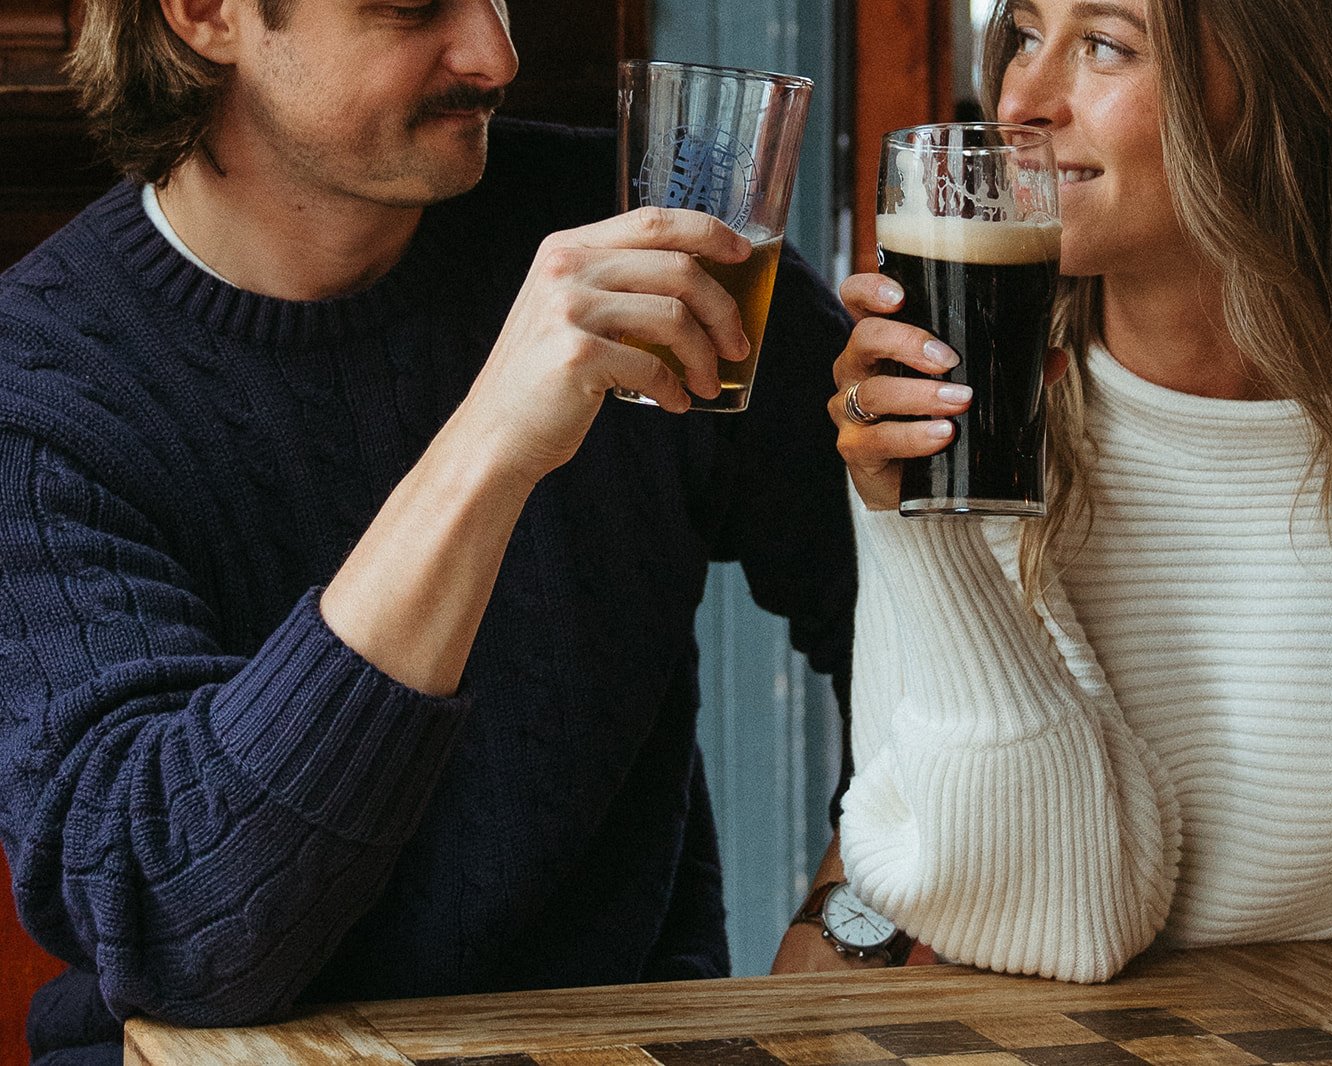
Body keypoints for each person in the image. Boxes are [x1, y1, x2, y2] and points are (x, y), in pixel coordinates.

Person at [0, 1, 857, 1062]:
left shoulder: (636, 247)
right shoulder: (35, 389)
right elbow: (182, 930)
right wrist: (489, 441)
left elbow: (931, 638)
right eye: (411, 7)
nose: (496, 55)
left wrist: (848, 932)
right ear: (206, 15)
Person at [829, 0, 1332, 1047]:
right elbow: (1054, 922)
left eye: (1103, 43)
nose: (1018, 100)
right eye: (1021, 34)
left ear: (1287, 86)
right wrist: (922, 527)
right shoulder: (970, 434)